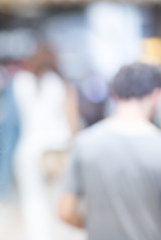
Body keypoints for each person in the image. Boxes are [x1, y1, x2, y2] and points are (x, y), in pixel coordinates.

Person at [58, 62, 161, 240]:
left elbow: (65, 211)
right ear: (155, 95)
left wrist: (94, 225)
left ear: (115, 96)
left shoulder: (85, 143)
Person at [12, 46, 79, 240]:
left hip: (28, 148)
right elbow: (72, 119)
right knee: (60, 200)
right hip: (58, 149)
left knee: (32, 201)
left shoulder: (20, 82)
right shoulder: (62, 84)